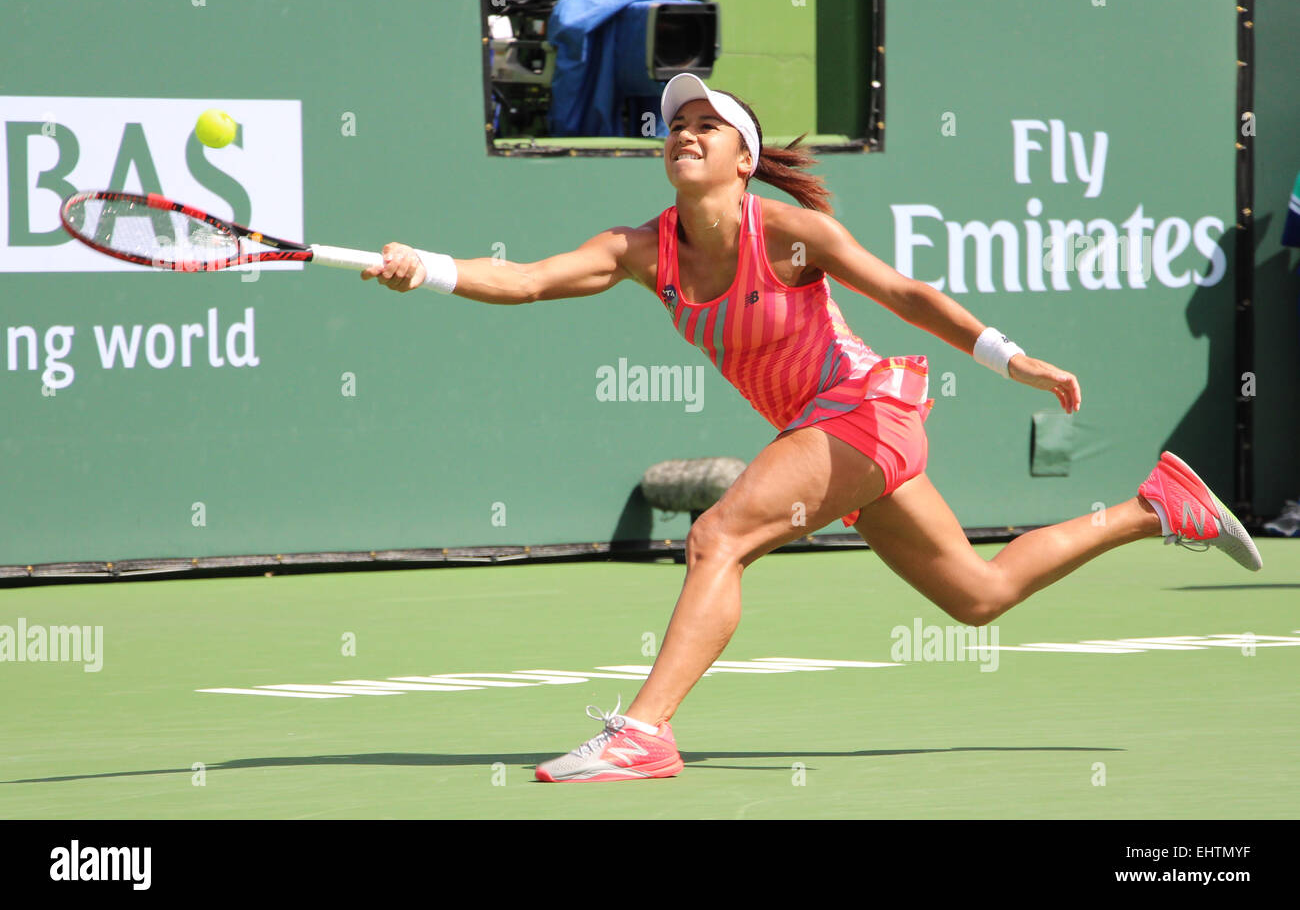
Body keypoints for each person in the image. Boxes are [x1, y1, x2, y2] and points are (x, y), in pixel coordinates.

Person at [361, 74, 1264, 783]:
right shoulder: (641, 250)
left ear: (743, 159)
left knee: (718, 535)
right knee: (978, 596)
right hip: (840, 441)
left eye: (707, 126)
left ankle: (643, 733)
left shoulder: (790, 233)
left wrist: (1010, 357)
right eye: (677, 124)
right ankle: (1155, 507)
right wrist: (426, 267)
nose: (685, 133)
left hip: (868, 410)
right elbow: (524, 280)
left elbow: (904, 293)